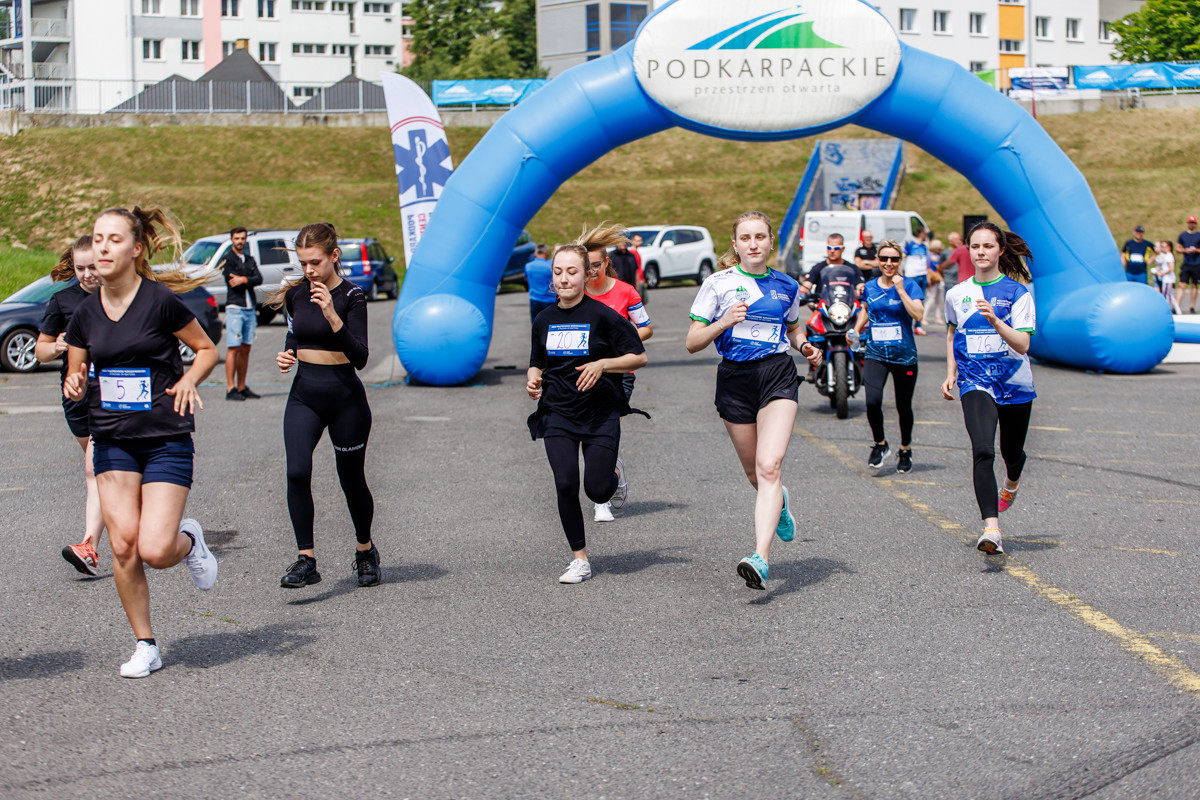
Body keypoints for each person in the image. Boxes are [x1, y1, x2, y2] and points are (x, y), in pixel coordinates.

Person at [62, 206, 219, 678]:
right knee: (124, 547)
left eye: (114, 239)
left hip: (166, 437)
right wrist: (74, 382)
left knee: (154, 549)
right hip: (112, 439)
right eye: (98, 238)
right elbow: (76, 372)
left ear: (135, 248)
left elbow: (207, 350)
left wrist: (189, 379)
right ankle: (145, 644)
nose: (103, 247)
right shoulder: (85, 313)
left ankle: (189, 541)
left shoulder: (159, 302)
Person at [686, 211, 822, 590]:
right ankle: (781, 503)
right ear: (735, 245)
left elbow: (793, 329)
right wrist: (723, 322)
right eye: (745, 238)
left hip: (776, 374)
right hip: (734, 379)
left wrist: (805, 346)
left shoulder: (786, 285)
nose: (753, 244)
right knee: (754, 474)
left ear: (770, 242)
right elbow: (693, 342)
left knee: (769, 466)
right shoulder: (718, 284)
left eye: (760, 237)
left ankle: (760, 557)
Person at [526, 243, 648, 584]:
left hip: (599, 412)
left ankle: (613, 474)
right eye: (558, 272)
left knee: (597, 491)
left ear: (586, 275)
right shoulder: (544, 319)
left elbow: (639, 357)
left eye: (572, 272)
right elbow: (536, 362)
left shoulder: (603, 316)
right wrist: (533, 379)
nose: (564, 279)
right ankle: (579, 559)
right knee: (565, 482)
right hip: (557, 411)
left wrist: (603, 364)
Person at [270, 223, 380, 589]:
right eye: (303, 263)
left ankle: (365, 550)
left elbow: (360, 357)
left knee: (351, 479)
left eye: (315, 262)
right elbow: (294, 333)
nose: (309, 270)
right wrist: (287, 354)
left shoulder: (353, 296)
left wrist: (333, 315)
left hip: (345, 398)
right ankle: (307, 560)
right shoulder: (296, 295)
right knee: (297, 471)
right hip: (305, 394)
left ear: (334, 256)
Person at [940, 222, 1036, 557]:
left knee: (1011, 452)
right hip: (975, 381)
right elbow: (952, 333)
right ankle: (991, 529)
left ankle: (1012, 480)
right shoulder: (956, 294)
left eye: (988, 246)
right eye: (975, 246)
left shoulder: (1017, 293)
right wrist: (950, 372)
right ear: (968, 249)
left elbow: (1023, 344)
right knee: (983, 450)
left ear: (1000, 250)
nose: (981, 252)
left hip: (1014, 382)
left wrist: (996, 321)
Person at [35, 235, 106, 575]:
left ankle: (89, 546)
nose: (87, 274)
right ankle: (145, 521)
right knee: (107, 472)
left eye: (93, 266)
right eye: (80, 268)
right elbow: (41, 350)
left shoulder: (121, 293)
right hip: (75, 395)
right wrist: (59, 346)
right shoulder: (63, 300)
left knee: (96, 468)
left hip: (113, 394)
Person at [580, 223, 653, 522]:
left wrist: (618, 341)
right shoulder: (575, 293)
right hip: (583, 372)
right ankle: (613, 470)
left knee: (605, 426)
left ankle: (601, 500)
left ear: (607, 262)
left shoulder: (625, 292)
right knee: (586, 429)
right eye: (586, 266)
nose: (591, 272)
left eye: (596, 265)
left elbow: (646, 328)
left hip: (620, 372)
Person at [852, 239, 924, 473]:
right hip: (875, 353)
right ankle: (880, 444)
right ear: (878, 260)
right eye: (884, 258)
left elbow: (918, 314)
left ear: (900, 261)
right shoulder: (870, 286)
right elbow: (866, 309)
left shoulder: (910, 285)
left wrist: (900, 290)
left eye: (894, 259)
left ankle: (905, 448)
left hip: (904, 356)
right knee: (872, 401)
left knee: (903, 405)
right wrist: (856, 329)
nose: (889, 263)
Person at [219, 227, 263, 401]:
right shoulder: (228, 259)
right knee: (234, 347)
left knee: (246, 348)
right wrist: (246, 279)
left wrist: (243, 279)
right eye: (237, 238)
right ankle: (230, 388)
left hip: (250, 308)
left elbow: (258, 278)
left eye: (242, 238)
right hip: (235, 308)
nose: (240, 241)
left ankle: (241, 386)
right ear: (231, 239)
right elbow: (231, 281)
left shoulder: (250, 259)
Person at [803, 233, 862, 297]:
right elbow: (807, 285)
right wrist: (804, 289)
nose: (832, 251)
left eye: (836, 248)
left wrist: (860, 290)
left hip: (846, 302)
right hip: (823, 302)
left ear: (843, 249)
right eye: (829, 247)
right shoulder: (818, 267)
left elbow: (860, 286)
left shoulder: (852, 269)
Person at [902, 227, 933, 335]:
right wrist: (902, 273)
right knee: (909, 300)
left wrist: (928, 276)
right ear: (920, 234)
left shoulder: (924, 246)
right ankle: (908, 324)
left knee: (921, 300)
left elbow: (925, 262)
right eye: (925, 234)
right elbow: (902, 258)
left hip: (922, 274)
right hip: (911, 275)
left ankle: (918, 325)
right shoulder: (910, 245)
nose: (926, 236)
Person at [524, 243, 555, 322]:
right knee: (549, 324)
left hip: (534, 299)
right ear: (546, 253)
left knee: (535, 323)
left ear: (535, 253)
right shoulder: (550, 266)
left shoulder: (528, 266)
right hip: (549, 300)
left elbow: (526, 278)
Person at [1177, 216, 1200, 313]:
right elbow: (1177, 248)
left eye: (1193, 223)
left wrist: (1196, 250)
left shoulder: (1198, 235)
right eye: (1190, 223)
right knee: (1182, 284)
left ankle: (1192, 306)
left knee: (1194, 285)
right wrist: (1184, 250)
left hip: (1197, 263)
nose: (1191, 224)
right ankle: (1177, 305)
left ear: (1195, 224)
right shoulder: (1183, 235)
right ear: (1188, 223)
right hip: (1186, 263)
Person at [1155, 240, 1181, 314]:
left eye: (1163, 247)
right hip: (1166, 279)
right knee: (1169, 295)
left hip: (1168, 279)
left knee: (1166, 295)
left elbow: (1171, 268)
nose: (1162, 248)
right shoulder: (1166, 255)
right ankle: (1177, 310)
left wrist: (1162, 274)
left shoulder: (1169, 256)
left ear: (1169, 247)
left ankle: (1166, 311)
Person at [925, 238, 946, 327]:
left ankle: (938, 317)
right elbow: (938, 267)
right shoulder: (934, 257)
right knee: (932, 298)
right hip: (934, 278)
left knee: (937, 299)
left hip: (935, 279)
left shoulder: (928, 255)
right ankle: (924, 317)